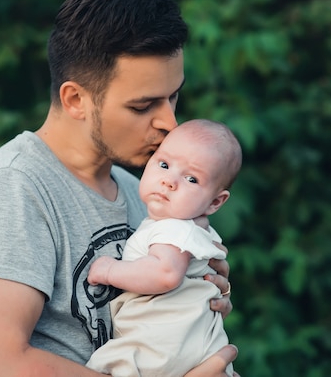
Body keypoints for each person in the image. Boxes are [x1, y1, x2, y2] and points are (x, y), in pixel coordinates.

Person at [0, 0, 239, 377]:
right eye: (143, 106)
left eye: (174, 96)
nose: (170, 123)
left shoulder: (143, 194)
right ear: (76, 99)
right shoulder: (14, 190)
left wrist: (196, 296)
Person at [86, 119, 241, 377]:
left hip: (161, 349)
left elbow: (164, 274)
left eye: (191, 178)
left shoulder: (174, 228)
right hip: (191, 348)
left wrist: (109, 270)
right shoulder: (193, 229)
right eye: (164, 165)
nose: (169, 181)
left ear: (215, 202)